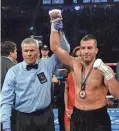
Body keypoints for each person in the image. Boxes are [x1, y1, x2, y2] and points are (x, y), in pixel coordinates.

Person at [0, 10, 70, 131]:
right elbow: (6, 99)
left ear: (38, 51)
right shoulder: (14, 71)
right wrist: (5, 126)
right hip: (23, 119)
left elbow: (64, 51)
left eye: (32, 50)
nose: (29, 54)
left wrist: (58, 29)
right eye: (26, 51)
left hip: (46, 116)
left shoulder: (47, 64)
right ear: (22, 52)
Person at [49, 10, 119, 131]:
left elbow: (116, 94)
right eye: (83, 48)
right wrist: (54, 25)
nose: (86, 51)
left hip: (98, 117)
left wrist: (108, 74)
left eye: (89, 48)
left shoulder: (104, 69)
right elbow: (55, 48)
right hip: (78, 115)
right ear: (80, 50)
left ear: (96, 50)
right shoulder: (74, 64)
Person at [64, 46, 81, 131]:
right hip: (70, 108)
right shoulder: (70, 73)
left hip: (83, 108)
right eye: (76, 56)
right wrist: (67, 107)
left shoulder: (90, 73)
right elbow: (66, 90)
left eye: (80, 56)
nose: (78, 58)